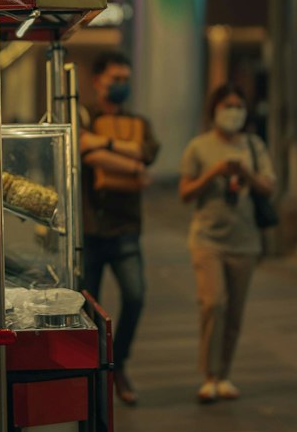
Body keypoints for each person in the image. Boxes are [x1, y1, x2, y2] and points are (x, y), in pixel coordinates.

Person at [179, 84, 275, 404]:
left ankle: (224, 374)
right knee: (214, 303)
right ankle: (209, 375)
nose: (233, 111)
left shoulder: (254, 145)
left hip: (245, 240)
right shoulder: (199, 147)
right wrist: (214, 173)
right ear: (215, 109)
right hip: (208, 239)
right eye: (227, 105)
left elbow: (268, 187)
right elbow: (185, 193)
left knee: (234, 312)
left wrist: (245, 171)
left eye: (238, 105)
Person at [79, 51, 160, 406]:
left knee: (136, 296)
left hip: (126, 228)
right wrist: (129, 162)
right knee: (87, 312)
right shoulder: (83, 115)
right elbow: (87, 152)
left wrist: (108, 147)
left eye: (126, 79)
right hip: (90, 229)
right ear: (98, 80)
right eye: (116, 78)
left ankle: (118, 363)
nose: (121, 85)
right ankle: (94, 373)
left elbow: (148, 152)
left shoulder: (138, 122)